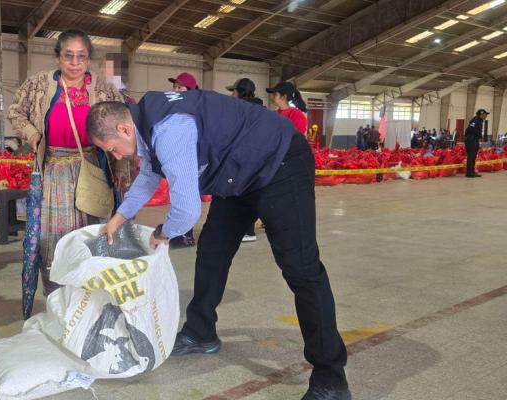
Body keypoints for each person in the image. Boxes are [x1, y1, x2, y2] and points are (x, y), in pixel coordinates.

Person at [87, 91, 350, 400]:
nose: (117, 157)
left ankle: (331, 378)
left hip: (278, 162)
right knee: (212, 249)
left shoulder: (169, 130)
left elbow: (186, 210)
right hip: (237, 172)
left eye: (113, 150)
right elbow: (149, 174)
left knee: (301, 268)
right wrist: (119, 217)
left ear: (123, 130)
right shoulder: (145, 122)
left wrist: (164, 232)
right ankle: (201, 331)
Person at [7, 29, 127, 295]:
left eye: (81, 57)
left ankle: (89, 298)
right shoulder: (39, 84)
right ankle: (56, 297)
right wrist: (32, 134)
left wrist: (119, 166)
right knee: (55, 239)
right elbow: (16, 112)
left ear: (89, 59)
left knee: (93, 234)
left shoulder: (103, 88)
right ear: (58, 58)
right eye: (68, 56)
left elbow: (122, 124)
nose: (74, 63)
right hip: (54, 172)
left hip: (93, 169)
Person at [227, 77, 264, 243]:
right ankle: (245, 229)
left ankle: (248, 231)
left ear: (238, 92)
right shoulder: (260, 110)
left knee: (242, 196)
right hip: (257, 159)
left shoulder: (241, 110)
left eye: (233, 91)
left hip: (243, 159)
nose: (231, 94)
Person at [165, 71, 200, 248]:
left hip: (191, 158)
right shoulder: (176, 108)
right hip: (179, 156)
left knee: (187, 196)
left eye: (179, 87)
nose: (175, 90)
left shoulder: (195, 109)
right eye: (174, 87)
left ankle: (186, 236)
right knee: (178, 195)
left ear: (190, 90)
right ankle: (179, 233)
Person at [464, 109, 488, 178]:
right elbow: (470, 129)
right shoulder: (475, 120)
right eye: (485, 114)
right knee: (471, 156)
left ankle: (472, 171)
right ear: (481, 114)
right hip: (471, 140)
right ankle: (469, 173)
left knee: (473, 157)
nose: (486, 116)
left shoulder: (479, 121)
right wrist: (477, 136)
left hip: (474, 140)